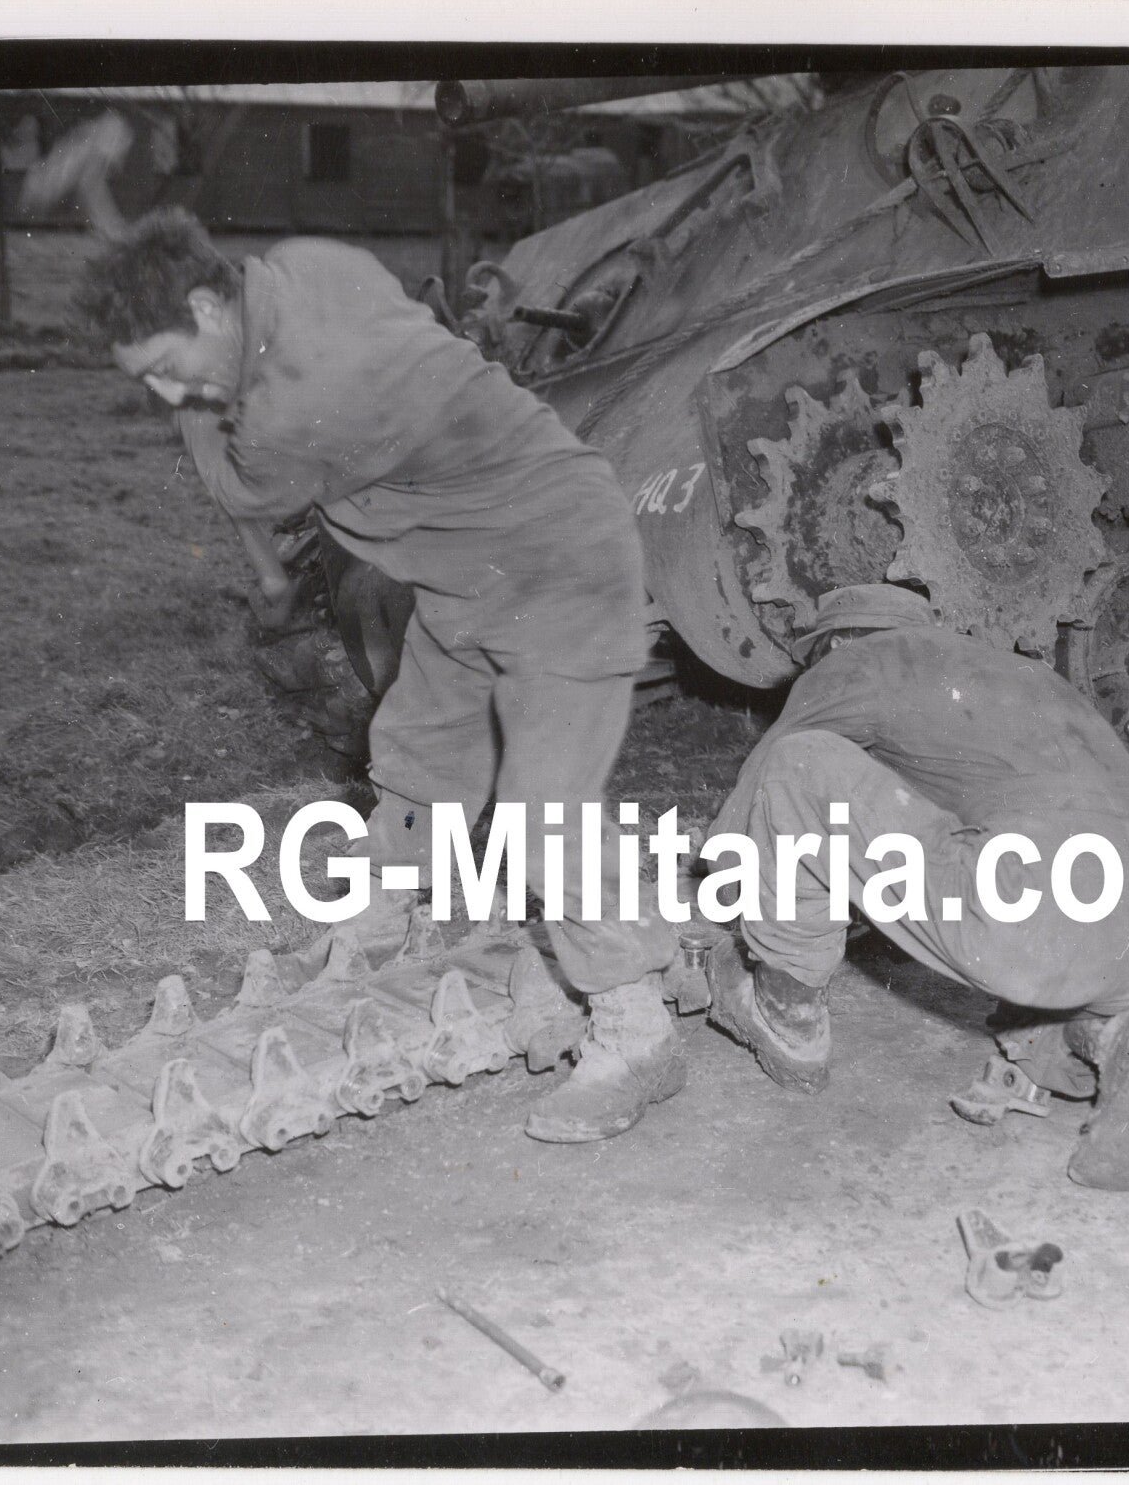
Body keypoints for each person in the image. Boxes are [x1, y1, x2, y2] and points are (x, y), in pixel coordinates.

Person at [74, 209, 681, 1144]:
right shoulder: (307, 261)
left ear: (206, 303)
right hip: (469, 562)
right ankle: (386, 907)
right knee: (424, 741)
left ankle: (639, 1028)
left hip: (562, 559)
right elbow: (225, 387)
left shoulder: (298, 405)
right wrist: (192, 366)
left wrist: (199, 409)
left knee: (542, 813)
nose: (165, 394)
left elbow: (243, 486)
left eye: (164, 366)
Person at [707, 584, 1129, 1192]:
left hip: (1035, 922)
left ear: (840, 642)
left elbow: (748, 819)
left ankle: (785, 1016)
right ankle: (1113, 1040)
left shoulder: (863, 660)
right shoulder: (1020, 675)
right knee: (1034, 984)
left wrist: (743, 907)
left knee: (800, 760)